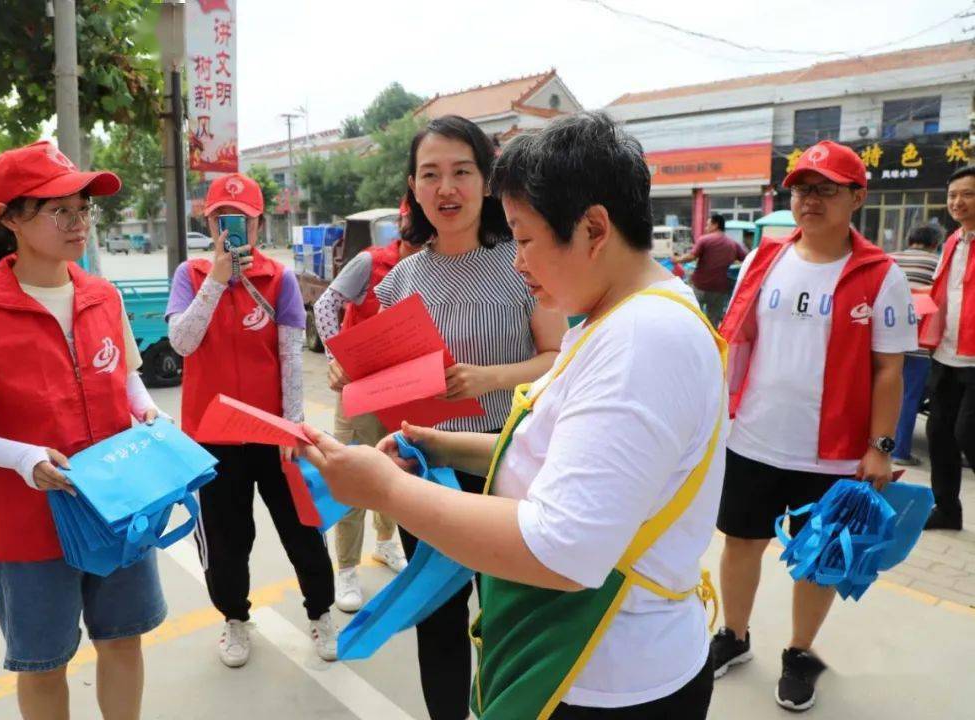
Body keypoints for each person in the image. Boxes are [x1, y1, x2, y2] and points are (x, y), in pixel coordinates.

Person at [299, 111, 725, 719]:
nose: (519, 262)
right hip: (578, 655)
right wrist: (439, 446)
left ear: (594, 229)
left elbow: (561, 548)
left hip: (604, 673)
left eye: (524, 239)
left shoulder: (640, 342)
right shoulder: (615, 319)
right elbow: (546, 444)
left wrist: (387, 489)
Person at [0, 140, 167, 720]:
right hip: (29, 525)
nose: (78, 223)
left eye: (83, 208)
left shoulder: (101, 296)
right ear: (9, 219)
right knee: (42, 664)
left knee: (123, 639)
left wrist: (148, 413)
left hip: (117, 507)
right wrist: (22, 458)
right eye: (59, 210)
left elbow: (127, 378)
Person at [370, 114, 567, 720]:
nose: (446, 188)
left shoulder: (524, 264)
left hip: (507, 460)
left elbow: (559, 360)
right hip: (424, 464)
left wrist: (490, 379)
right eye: (431, 175)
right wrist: (354, 377)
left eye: (462, 171)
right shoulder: (400, 279)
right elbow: (394, 377)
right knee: (438, 615)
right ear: (413, 187)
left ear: (487, 182)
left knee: (509, 609)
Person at [711, 140, 916, 712]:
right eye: (802, 188)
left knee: (822, 556)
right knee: (740, 541)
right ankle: (734, 634)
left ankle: (799, 653)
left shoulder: (881, 275)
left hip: (834, 452)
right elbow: (737, 342)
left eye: (826, 189)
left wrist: (880, 447)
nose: (810, 200)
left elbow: (889, 370)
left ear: (857, 197)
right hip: (753, 435)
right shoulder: (764, 258)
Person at [165, 172, 338, 667]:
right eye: (223, 219)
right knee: (225, 538)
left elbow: (289, 360)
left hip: (271, 434)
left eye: (242, 220)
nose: (232, 229)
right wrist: (217, 281)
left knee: (301, 527)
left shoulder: (280, 279)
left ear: (260, 223)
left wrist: (294, 428)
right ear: (210, 222)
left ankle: (321, 612)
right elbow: (182, 343)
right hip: (211, 436)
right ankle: (235, 619)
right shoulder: (190, 276)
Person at [312, 199, 416, 612]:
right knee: (352, 474)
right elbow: (324, 306)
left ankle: (388, 543)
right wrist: (340, 358)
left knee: (398, 467)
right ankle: (347, 569)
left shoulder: (434, 267)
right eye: (411, 221)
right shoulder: (370, 262)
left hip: (404, 389)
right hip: (359, 390)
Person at [920, 165, 975, 530]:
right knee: (938, 433)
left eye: (967, 194)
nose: (957, 202)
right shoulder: (952, 240)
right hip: (946, 352)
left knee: (967, 434)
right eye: (953, 195)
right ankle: (947, 510)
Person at [890, 223, 944, 466]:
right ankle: (900, 452)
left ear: (910, 239)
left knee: (881, 393)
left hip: (888, 340)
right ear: (935, 243)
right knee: (910, 397)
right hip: (920, 343)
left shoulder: (891, 259)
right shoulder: (938, 264)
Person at [675, 213, 747, 326]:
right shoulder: (733, 244)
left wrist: (677, 259)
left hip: (700, 286)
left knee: (693, 317)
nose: (706, 228)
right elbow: (746, 259)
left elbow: (691, 257)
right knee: (713, 322)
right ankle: (711, 342)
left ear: (715, 225)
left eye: (708, 225)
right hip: (720, 289)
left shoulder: (705, 240)